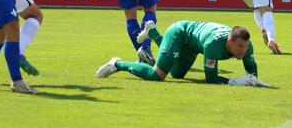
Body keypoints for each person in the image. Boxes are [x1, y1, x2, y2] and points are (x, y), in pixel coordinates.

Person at [97, 20, 270, 87]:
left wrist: (253, 80)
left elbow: (251, 68)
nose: (243, 51)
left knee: (177, 74)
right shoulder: (213, 46)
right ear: (230, 42)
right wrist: (234, 81)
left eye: (245, 47)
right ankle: (117, 63)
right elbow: (211, 78)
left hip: (193, 45)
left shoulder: (247, 45)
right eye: (240, 47)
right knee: (157, 75)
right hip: (180, 34)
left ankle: (153, 33)